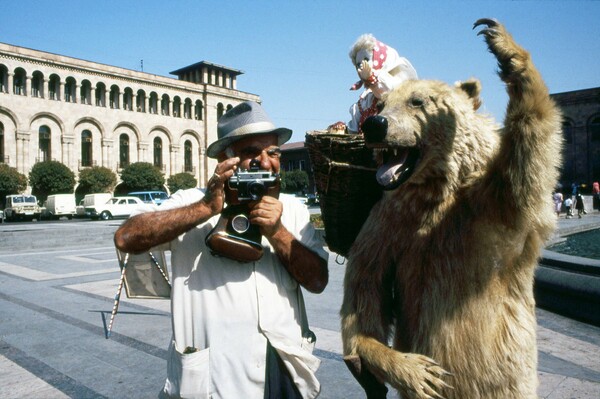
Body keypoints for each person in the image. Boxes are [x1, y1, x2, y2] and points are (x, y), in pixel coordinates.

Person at [114, 101, 329, 399]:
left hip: (283, 364)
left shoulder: (291, 208)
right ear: (226, 159)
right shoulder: (193, 200)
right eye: (251, 152)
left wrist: (277, 232)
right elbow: (127, 238)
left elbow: (318, 281)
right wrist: (206, 208)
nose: (265, 162)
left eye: (273, 153)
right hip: (215, 373)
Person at [328, 34, 417, 134]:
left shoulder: (396, 86)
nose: (361, 66)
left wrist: (372, 78)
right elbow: (354, 128)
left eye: (366, 60)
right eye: (358, 64)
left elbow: (385, 93)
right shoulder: (365, 101)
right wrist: (344, 130)